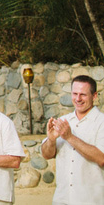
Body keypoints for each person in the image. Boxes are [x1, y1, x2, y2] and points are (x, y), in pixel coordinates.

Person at [41, 74, 104, 205]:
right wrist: (51, 140)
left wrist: (70, 137)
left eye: (83, 94)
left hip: (92, 201)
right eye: (75, 94)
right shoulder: (64, 121)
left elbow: (102, 158)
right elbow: (46, 154)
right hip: (62, 200)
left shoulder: (101, 122)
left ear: (95, 96)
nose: (78, 99)